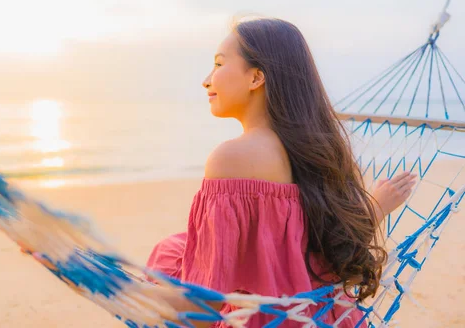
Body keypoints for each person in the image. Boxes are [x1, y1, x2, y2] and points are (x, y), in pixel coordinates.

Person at [146, 18, 417, 327]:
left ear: (256, 78)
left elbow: (204, 304)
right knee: (175, 247)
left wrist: (118, 290)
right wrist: (375, 207)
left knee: (167, 257)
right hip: (325, 316)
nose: (206, 80)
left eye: (219, 64)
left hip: (266, 319)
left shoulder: (232, 158)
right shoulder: (315, 152)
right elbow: (325, 251)